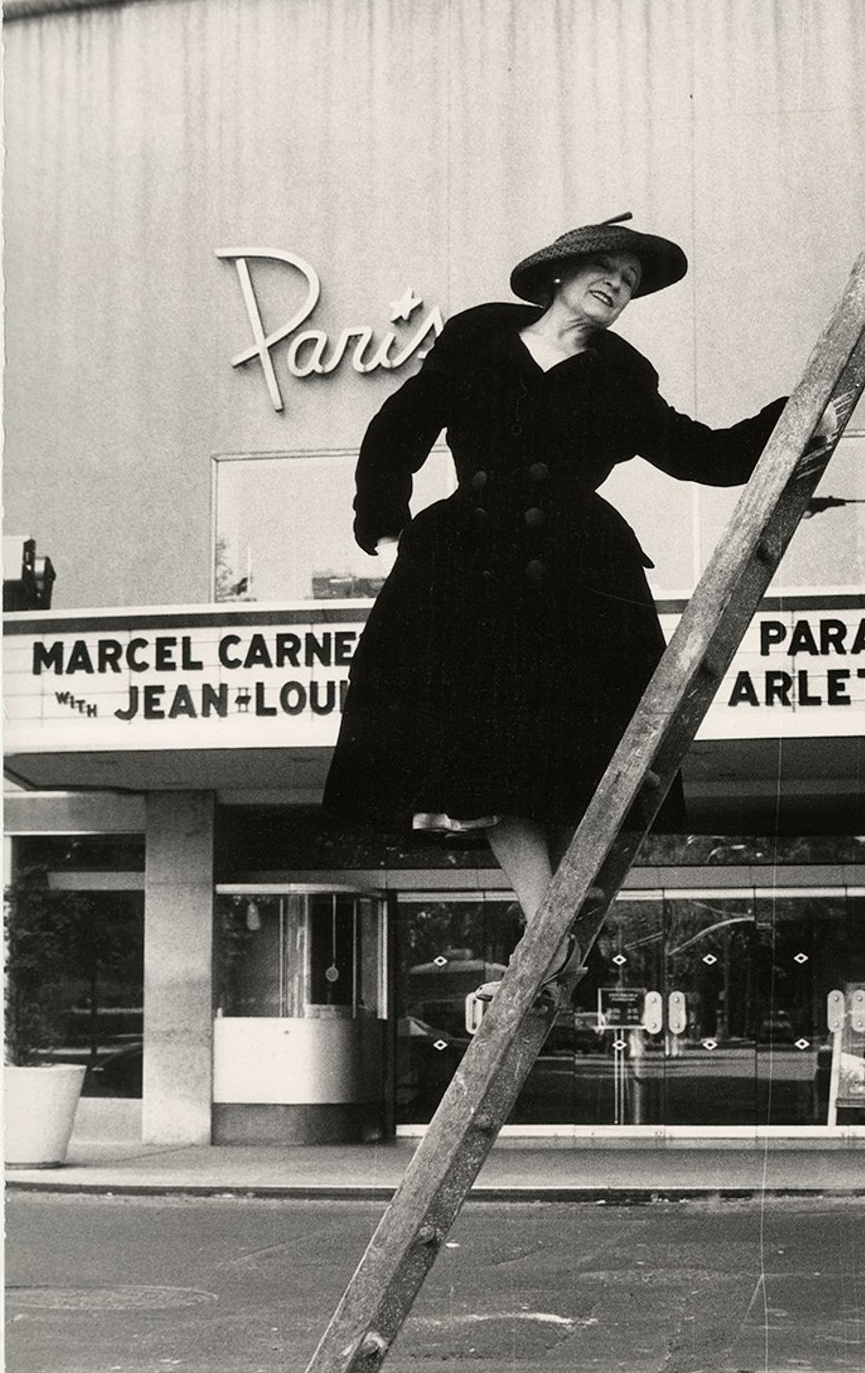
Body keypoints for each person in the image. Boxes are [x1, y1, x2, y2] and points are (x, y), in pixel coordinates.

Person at [323, 214, 788, 995]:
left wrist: (794, 414)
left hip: (579, 581)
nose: (619, 285)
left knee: (578, 761)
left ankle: (555, 940)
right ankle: (551, 934)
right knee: (483, 760)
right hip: (468, 572)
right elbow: (398, 427)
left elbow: (698, 453)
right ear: (558, 275)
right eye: (605, 269)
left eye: (631, 282)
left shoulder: (622, 379)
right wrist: (385, 520)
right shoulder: (476, 344)